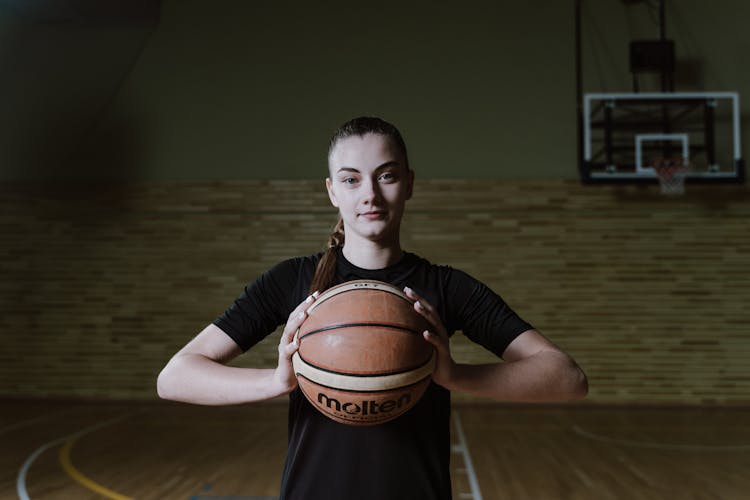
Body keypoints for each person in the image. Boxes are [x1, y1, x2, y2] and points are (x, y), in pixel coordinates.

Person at [157, 116, 588, 500]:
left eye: (386, 176)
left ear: (410, 183)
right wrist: (277, 381)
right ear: (331, 191)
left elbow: (567, 378)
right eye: (350, 179)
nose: (370, 194)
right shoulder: (292, 281)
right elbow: (175, 377)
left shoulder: (447, 288)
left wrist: (455, 375)